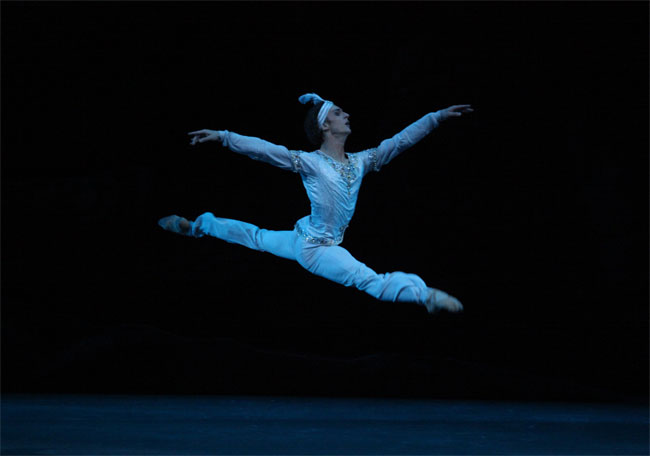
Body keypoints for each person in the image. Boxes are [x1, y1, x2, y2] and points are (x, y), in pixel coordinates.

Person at [159, 93, 473, 314]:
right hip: (316, 250)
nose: (346, 114)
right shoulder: (310, 162)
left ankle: (198, 226)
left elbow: (399, 142)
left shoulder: (361, 161)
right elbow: (266, 150)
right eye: (338, 112)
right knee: (367, 280)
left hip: (301, 236)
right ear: (324, 126)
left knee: (255, 237)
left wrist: (435, 118)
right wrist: (225, 136)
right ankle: (425, 296)